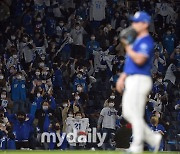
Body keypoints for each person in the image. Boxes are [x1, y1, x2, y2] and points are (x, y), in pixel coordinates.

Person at [116, 11, 162, 153]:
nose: (134, 24)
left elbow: (139, 60)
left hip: (140, 79)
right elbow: (130, 63)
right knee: (129, 113)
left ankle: (137, 146)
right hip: (132, 79)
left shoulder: (146, 41)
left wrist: (127, 46)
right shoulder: (136, 41)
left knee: (132, 113)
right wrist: (123, 77)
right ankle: (152, 139)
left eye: (137, 22)